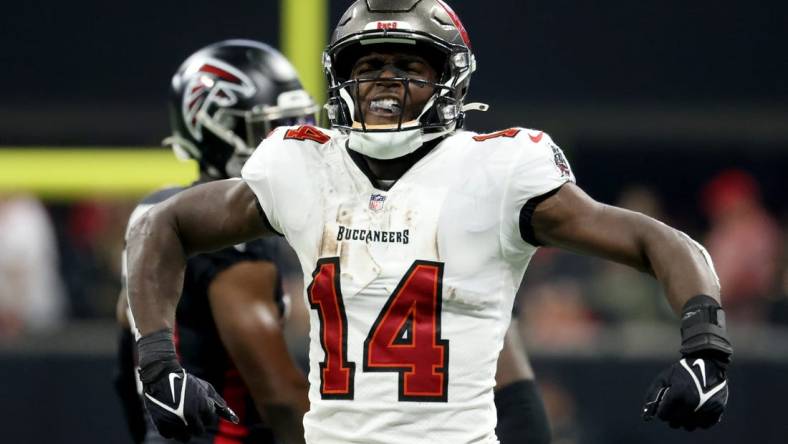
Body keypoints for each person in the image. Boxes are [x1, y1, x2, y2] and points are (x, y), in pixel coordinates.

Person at [126, 1, 733, 442]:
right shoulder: (302, 165)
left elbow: (658, 240)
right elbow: (163, 226)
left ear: (450, 79)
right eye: (370, 64)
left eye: (409, 65)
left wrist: (706, 346)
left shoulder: (497, 169)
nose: (385, 80)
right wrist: (157, 363)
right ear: (343, 78)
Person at [117, 39, 318, 444]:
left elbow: (127, 359)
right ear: (215, 131)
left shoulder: (155, 216)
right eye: (271, 130)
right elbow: (280, 399)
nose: (290, 148)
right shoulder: (229, 245)